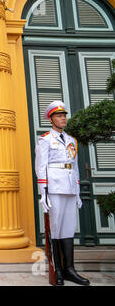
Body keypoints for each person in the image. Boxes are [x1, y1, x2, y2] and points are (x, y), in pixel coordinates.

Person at [35, 100, 90, 286]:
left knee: (68, 229)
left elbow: (74, 168)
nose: (63, 118)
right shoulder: (45, 140)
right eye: (59, 116)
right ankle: (57, 270)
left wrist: (77, 192)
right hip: (55, 188)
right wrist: (43, 193)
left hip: (68, 189)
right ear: (51, 120)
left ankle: (70, 270)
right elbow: (40, 168)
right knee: (56, 230)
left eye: (64, 115)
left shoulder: (71, 140)